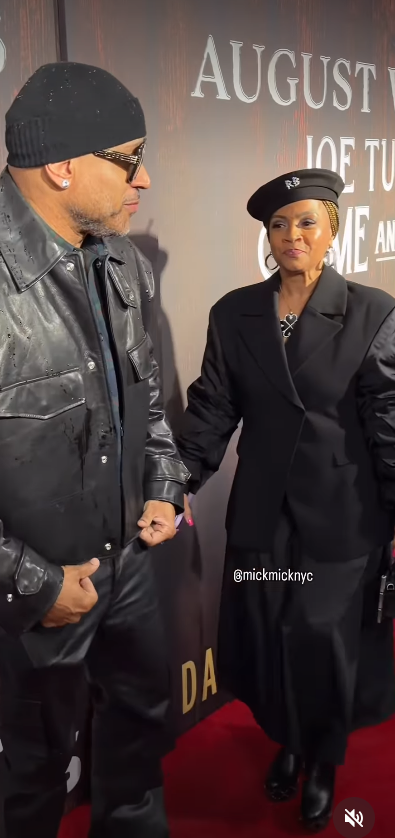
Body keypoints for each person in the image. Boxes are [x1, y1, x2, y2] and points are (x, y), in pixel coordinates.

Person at [0, 62, 190, 838]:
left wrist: (163, 482)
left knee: (140, 730)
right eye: (129, 159)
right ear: (63, 164)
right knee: (34, 766)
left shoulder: (123, 261)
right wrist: (34, 586)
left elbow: (148, 400)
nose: (144, 179)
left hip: (131, 560)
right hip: (44, 592)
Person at [177, 169, 395, 832]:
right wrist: (177, 481)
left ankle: (323, 758)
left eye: (306, 221)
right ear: (266, 236)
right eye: (278, 224)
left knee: (325, 643)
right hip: (263, 516)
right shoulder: (235, 312)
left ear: (332, 228)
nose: (291, 235)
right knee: (271, 636)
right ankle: (289, 742)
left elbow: (389, 417)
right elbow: (212, 407)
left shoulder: (372, 311)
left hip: (344, 514)